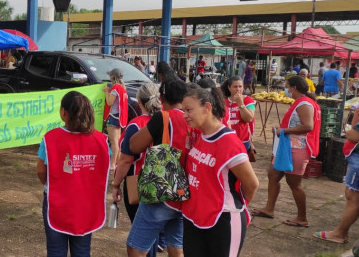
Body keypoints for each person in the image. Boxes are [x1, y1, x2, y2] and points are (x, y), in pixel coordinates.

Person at [181, 84, 259, 256]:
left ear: (207, 108)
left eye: (188, 110)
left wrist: (235, 207)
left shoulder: (228, 142)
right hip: (195, 216)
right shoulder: (201, 135)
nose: (185, 116)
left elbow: (252, 184)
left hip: (223, 218)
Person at [37, 91, 110, 257]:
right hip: (87, 204)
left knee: (56, 251)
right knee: (82, 251)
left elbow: (41, 170)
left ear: (63, 112)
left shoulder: (50, 138)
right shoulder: (101, 140)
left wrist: (52, 184)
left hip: (57, 202)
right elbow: (105, 164)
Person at [126, 79, 190, 257]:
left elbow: (134, 146)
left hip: (162, 188)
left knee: (135, 247)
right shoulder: (192, 117)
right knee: (176, 245)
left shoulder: (163, 117)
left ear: (162, 98)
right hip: (184, 191)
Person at [252, 76, 321, 227]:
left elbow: (308, 126)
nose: (286, 90)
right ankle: (269, 209)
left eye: (287, 87)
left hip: (298, 148)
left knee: (294, 183)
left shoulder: (305, 104)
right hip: (288, 147)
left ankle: (302, 218)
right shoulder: (302, 102)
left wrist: (284, 130)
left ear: (294, 88)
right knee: (273, 175)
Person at [316, 93, 359, 244]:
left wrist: (357, 115)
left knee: (354, 199)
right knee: (355, 197)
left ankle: (340, 233)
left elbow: (353, 135)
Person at [111, 83, 162, 245]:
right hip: (164, 179)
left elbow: (126, 160)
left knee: (142, 233)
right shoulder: (168, 121)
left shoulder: (136, 125)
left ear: (139, 101)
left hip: (138, 182)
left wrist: (116, 184)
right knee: (156, 229)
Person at [221, 76, 257, 154]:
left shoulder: (248, 100)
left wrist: (240, 103)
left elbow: (249, 119)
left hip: (243, 140)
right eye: (235, 87)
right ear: (229, 88)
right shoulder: (223, 101)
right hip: (226, 140)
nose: (238, 89)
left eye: (240, 86)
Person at [104, 68, 128, 169]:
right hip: (120, 117)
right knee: (117, 141)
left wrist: (106, 91)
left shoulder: (115, 88)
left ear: (113, 77)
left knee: (113, 141)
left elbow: (109, 102)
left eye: (110, 75)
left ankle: (113, 164)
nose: (109, 77)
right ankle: (117, 161)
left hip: (113, 117)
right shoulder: (122, 88)